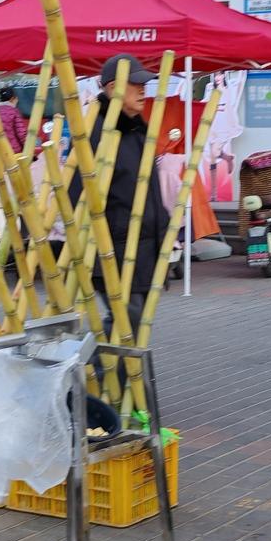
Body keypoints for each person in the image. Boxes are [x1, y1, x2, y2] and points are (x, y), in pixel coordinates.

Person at [72, 55, 167, 333]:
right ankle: (99, 371)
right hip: (114, 246)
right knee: (129, 317)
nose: (143, 90)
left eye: (144, 84)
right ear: (112, 88)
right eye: (135, 84)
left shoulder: (138, 129)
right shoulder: (97, 131)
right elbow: (77, 193)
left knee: (136, 320)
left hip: (145, 246)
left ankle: (123, 375)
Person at [0, 86, 27, 157]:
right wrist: (29, 150)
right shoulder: (14, 111)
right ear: (13, 98)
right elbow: (21, 134)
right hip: (14, 152)